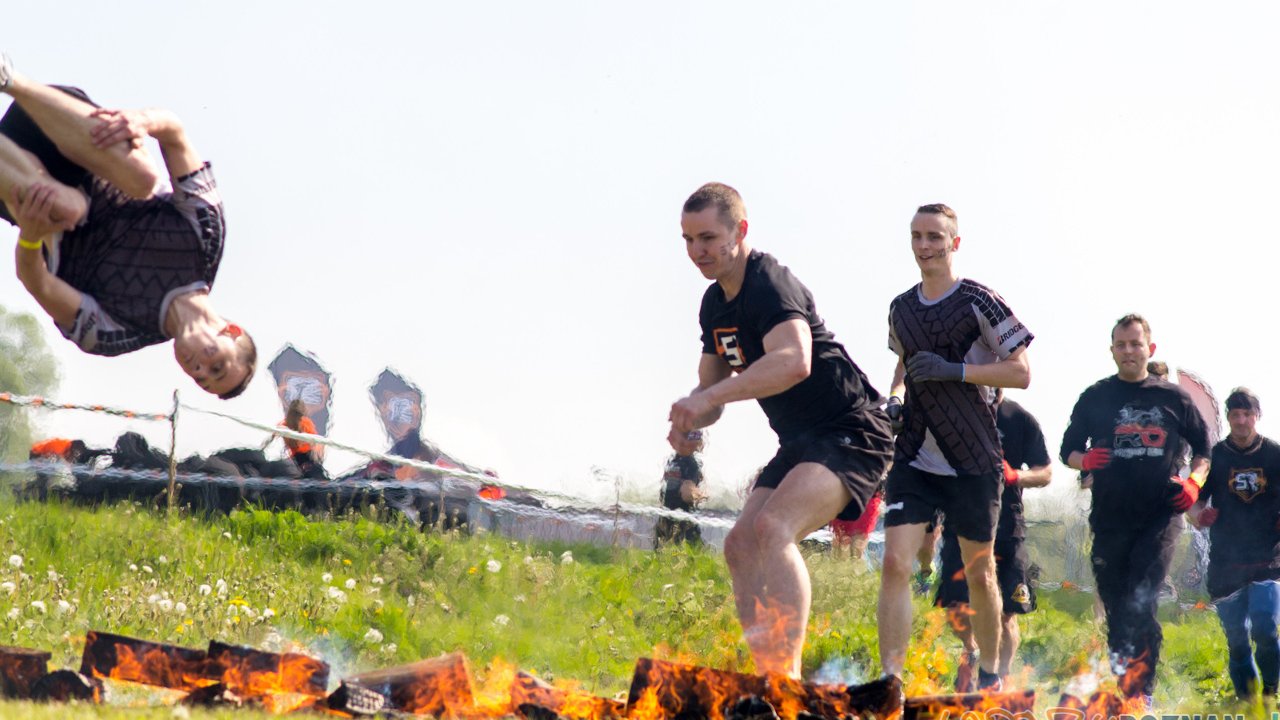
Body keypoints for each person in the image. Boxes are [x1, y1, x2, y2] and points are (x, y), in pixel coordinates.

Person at [667, 182, 892, 678]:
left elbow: (794, 361)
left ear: (740, 230)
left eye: (707, 237)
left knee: (774, 527)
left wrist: (706, 398)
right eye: (687, 240)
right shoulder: (714, 306)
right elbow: (712, 395)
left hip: (852, 428)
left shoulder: (769, 281)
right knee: (740, 544)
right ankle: (765, 672)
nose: (697, 251)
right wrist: (692, 422)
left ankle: (784, 680)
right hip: (800, 441)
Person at [0, 55, 254, 398]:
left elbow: (38, 282)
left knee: (68, 208)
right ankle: (8, 77)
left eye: (200, 378)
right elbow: (175, 134)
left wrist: (30, 236)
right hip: (65, 124)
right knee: (143, 177)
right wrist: (141, 121)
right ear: (231, 331)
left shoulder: (115, 334)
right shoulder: (205, 239)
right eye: (216, 365)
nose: (197, 368)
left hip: (23, 185)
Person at [878, 203, 1033, 691]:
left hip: (973, 459)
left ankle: (990, 677)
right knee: (896, 562)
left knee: (979, 573)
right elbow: (903, 364)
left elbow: (1021, 372)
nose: (925, 246)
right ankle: (891, 682)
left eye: (935, 237)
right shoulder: (900, 308)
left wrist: (955, 372)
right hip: (916, 457)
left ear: (954, 243)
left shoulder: (980, 301)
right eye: (917, 236)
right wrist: (895, 399)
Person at [1060, 313, 1210, 704]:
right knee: (1115, 604)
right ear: (1112, 350)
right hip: (1110, 518)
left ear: (1150, 349)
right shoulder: (1095, 396)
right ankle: (1123, 681)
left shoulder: (1173, 398)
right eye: (1121, 345)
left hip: (1159, 516)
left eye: (1136, 344)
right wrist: (1085, 460)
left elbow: (1205, 452)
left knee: (1142, 598)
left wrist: (1194, 484)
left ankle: (1140, 694)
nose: (1129, 351)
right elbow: (1067, 450)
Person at [934, 389, 1052, 690]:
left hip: (1007, 527)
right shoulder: (951, 414)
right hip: (958, 521)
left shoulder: (1019, 419)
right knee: (957, 609)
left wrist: (1016, 476)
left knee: (1005, 613)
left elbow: (1045, 472)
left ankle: (998, 679)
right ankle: (973, 651)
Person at [1189, 388, 1280, 701]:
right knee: (1237, 639)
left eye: (1247, 414)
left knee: (1266, 629)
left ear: (1257, 416)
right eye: (1235, 415)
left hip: (1267, 559)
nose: (1241, 421)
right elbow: (1193, 504)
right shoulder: (1216, 456)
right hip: (1225, 561)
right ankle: (1247, 700)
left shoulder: (1274, 455)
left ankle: (1270, 690)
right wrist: (1199, 516)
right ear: (1228, 417)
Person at [656, 430, 708, 547]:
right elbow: (685, 493)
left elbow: (682, 492)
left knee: (663, 555)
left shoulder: (679, 462)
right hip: (677, 515)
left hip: (673, 514)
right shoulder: (683, 462)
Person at [263, 399, 328, 480]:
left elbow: (315, 441)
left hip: (304, 457)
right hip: (302, 457)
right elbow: (315, 441)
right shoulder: (288, 425)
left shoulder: (299, 423)